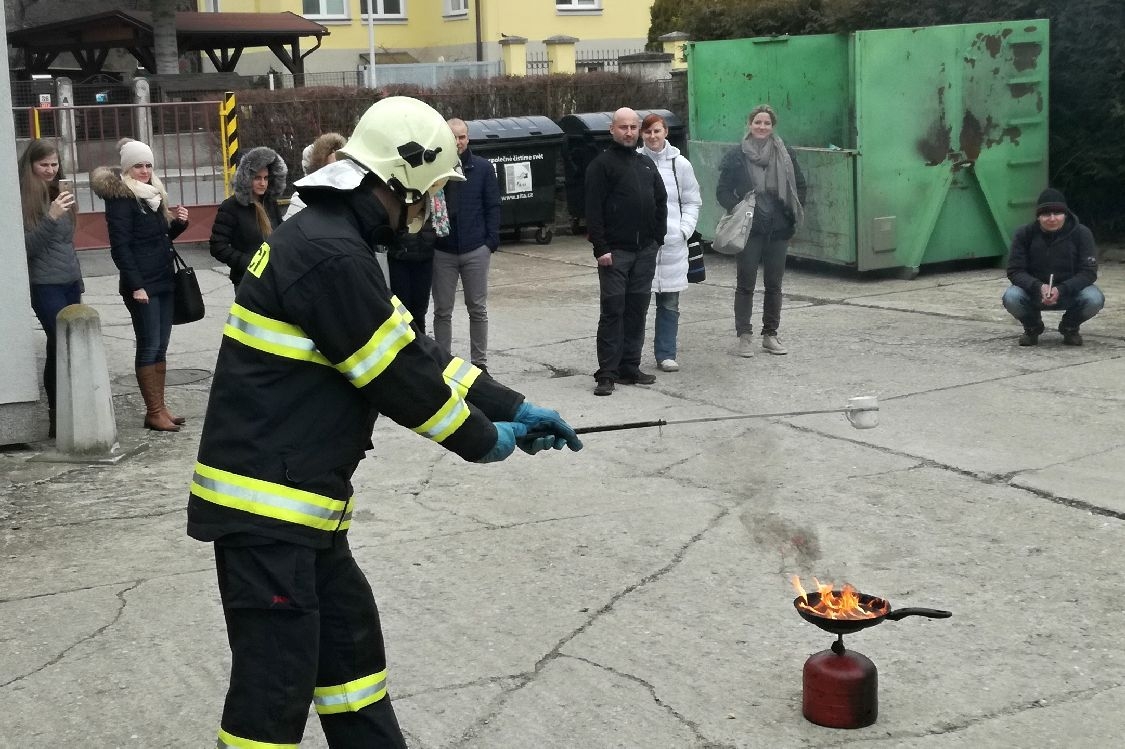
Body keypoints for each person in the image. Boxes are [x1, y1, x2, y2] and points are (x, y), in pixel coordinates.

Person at [186, 96, 582, 749]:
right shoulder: (331, 254)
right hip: (268, 520)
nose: (424, 213)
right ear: (393, 183)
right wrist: (482, 440)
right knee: (272, 694)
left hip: (302, 516)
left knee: (352, 663)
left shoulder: (332, 239)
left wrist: (510, 406)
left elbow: (413, 350)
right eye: (423, 197)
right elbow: (391, 376)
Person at [92, 138, 190, 432]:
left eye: (148, 165)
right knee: (149, 346)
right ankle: (153, 411)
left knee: (161, 346)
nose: (145, 170)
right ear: (127, 169)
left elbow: (157, 240)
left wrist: (178, 225)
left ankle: (160, 407)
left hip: (163, 279)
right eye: (138, 166)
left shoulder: (153, 195)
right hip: (142, 285)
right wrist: (136, 285)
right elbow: (121, 248)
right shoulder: (121, 199)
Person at [585, 107, 667, 396]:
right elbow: (593, 211)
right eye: (624, 127)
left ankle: (630, 366)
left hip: (644, 252)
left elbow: (661, 200)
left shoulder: (646, 164)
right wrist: (601, 248)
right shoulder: (601, 166)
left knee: (637, 310)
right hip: (614, 254)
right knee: (613, 311)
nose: (629, 132)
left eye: (634, 127)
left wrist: (658, 238)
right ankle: (607, 373)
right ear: (612, 130)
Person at [716, 104, 805, 357]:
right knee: (745, 284)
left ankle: (770, 335)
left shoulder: (785, 153)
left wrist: (791, 214)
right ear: (750, 124)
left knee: (774, 285)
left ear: (772, 126)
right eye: (758, 122)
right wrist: (740, 206)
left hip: (779, 228)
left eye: (766, 123)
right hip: (749, 229)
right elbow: (722, 191)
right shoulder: (736, 156)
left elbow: (800, 185)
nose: (762, 127)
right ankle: (744, 336)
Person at [18, 138, 83, 437]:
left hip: (69, 282)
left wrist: (78, 279)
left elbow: (67, 245)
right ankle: (57, 415)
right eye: (43, 164)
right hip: (44, 284)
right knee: (59, 343)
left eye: (54, 164)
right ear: (31, 165)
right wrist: (51, 217)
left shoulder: (61, 192)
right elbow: (25, 248)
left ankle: (73, 409)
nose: (50, 170)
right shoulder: (21, 198)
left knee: (71, 346)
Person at [431, 117, 500, 373]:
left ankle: (480, 363)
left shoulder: (482, 168)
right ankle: (442, 362)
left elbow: (492, 205)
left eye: (462, 137)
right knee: (442, 311)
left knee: (478, 309)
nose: (458, 142)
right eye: (453, 137)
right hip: (442, 251)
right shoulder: (435, 169)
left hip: (475, 249)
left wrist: (490, 242)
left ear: (468, 138)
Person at [637, 113, 701, 373]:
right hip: (642, 246)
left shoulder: (681, 164)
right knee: (637, 304)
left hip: (673, 245)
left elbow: (692, 201)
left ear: (666, 133)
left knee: (669, 303)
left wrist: (683, 230)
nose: (653, 136)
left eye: (657, 131)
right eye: (648, 132)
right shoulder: (635, 162)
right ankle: (631, 357)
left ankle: (666, 354)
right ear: (642, 135)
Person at [1003, 188, 1104, 346]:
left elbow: (1088, 272)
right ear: (1038, 217)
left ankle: (1070, 327)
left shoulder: (1082, 233)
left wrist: (1061, 289)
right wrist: (1038, 287)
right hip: (1034, 292)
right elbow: (1015, 270)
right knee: (1011, 297)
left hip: (1070, 291)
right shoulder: (1024, 234)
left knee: (1094, 298)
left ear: (1065, 214)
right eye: (1045, 214)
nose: (1052, 219)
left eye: (1057, 213)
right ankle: (1032, 328)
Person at [210, 146, 287, 287]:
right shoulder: (231, 206)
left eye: (266, 178)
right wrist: (249, 263)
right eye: (257, 178)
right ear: (246, 178)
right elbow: (217, 246)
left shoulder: (270, 203)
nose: (263, 183)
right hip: (247, 282)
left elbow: (280, 235)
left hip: (274, 278)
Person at [386, 188, 448, 334]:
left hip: (425, 255)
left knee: (420, 310)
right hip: (399, 255)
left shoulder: (433, 187)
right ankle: (406, 350)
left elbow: (440, 219)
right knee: (402, 309)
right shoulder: (398, 186)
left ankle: (420, 347)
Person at [284, 132, 346, 220]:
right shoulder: (301, 199)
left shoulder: (352, 196)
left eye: (340, 167)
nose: (337, 173)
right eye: (331, 168)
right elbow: (289, 231)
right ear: (320, 168)